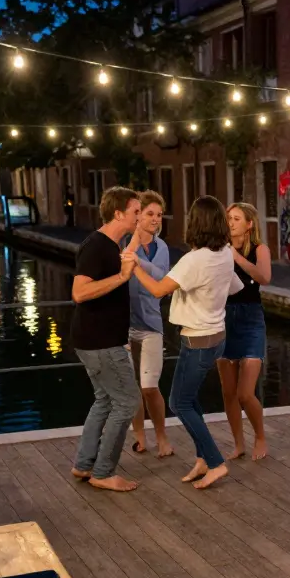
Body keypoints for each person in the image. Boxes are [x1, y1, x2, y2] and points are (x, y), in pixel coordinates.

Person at [126, 197, 243, 490]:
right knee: (189, 399)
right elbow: (234, 288)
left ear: (196, 223)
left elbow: (156, 291)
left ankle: (215, 462)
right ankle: (203, 458)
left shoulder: (195, 259)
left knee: (178, 402)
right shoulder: (226, 252)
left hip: (198, 339)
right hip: (216, 336)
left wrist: (134, 265)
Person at [70, 187, 142, 492]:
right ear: (118, 214)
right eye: (136, 212)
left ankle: (84, 465)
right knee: (128, 402)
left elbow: (130, 251)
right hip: (100, 343)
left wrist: (144, 229)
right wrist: (123, 278)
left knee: (104, 401)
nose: (140, 216)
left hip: (96, 340)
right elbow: (79, 293)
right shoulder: (97, 247)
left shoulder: (111, 244)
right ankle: (103, 472)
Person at [218, 202, 271, 461]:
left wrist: (236, 257)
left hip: (251, 320)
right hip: (224, 320)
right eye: (228, 217)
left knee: (245, 393)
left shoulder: (260, 250)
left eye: (236, 218)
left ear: (249, 224)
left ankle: (260, 436)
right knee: (228, 392)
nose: (230, 222)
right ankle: (238, 444)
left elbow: (264, 277)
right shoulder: (217, 249)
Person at [123, 191, 174, 458]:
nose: (155, 219)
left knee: (149, 386)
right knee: (132, 389)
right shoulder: (123, 243)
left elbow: (162, 277)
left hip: (152, 324)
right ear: (138, 215)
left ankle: (162, 436)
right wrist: (132, 252)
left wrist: (137, 262)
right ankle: (140, 437)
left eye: (159, 215)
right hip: (125, 325)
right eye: (150, 213)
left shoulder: (161, 247)